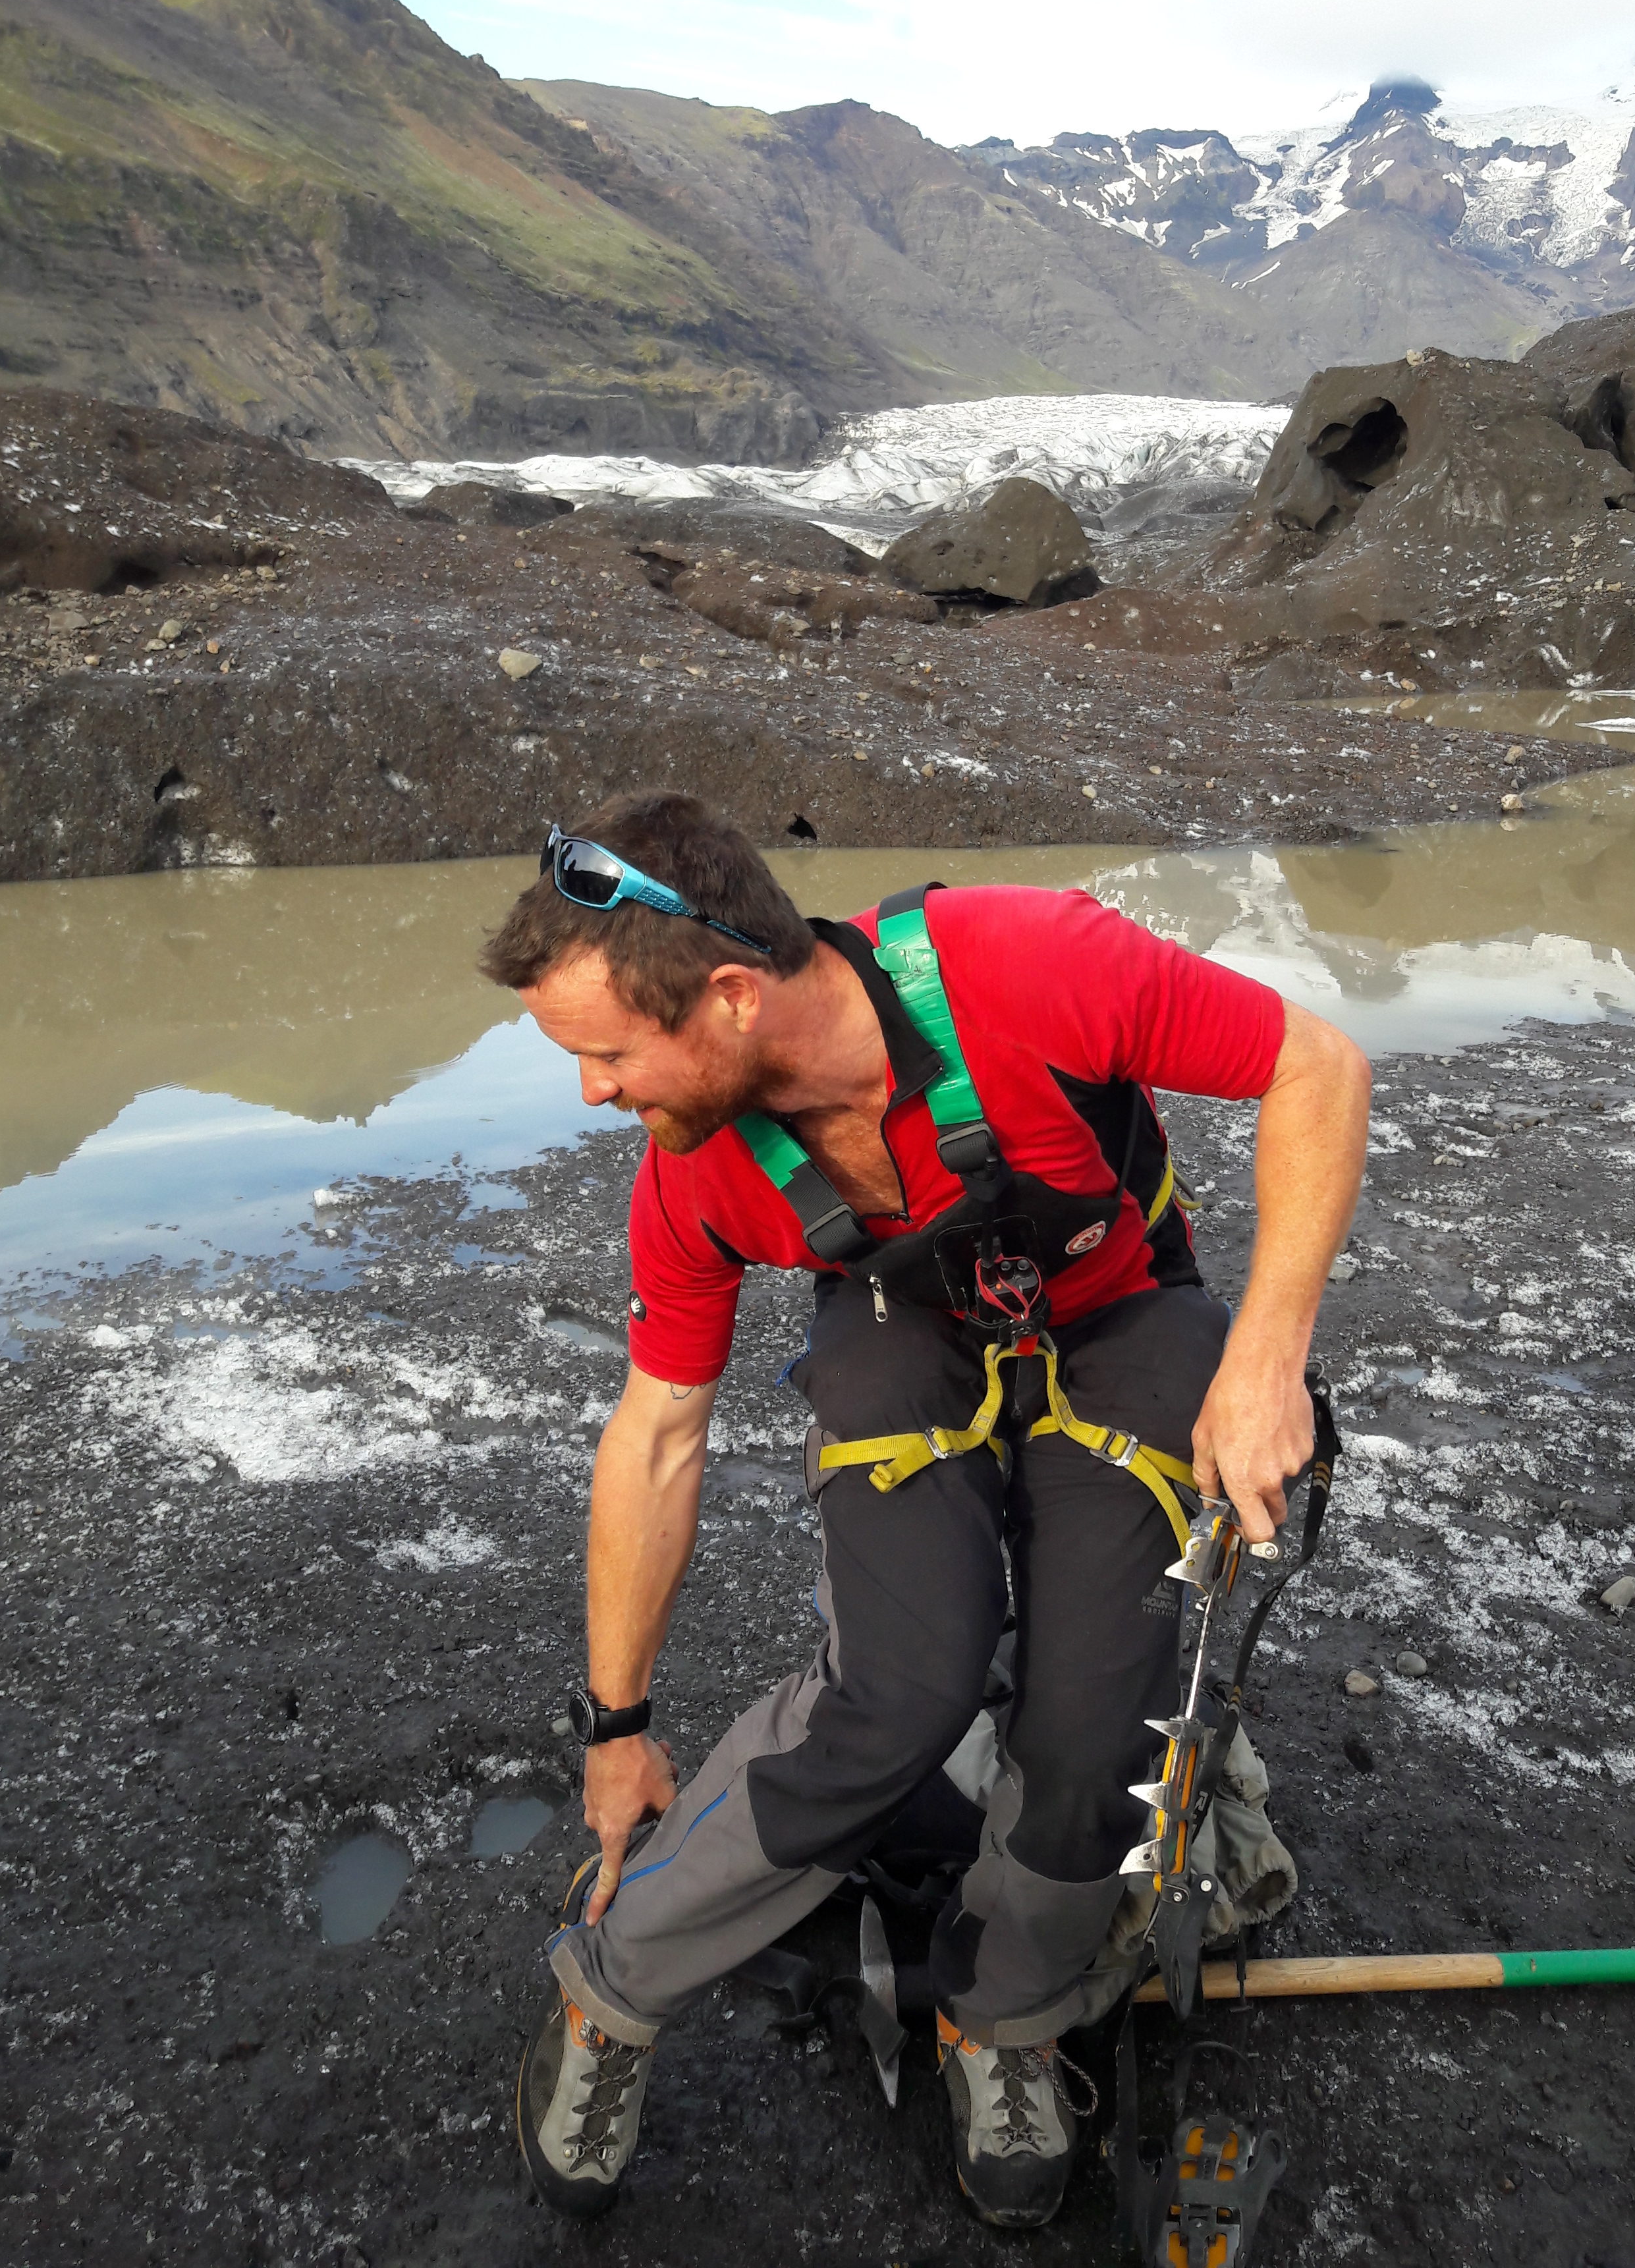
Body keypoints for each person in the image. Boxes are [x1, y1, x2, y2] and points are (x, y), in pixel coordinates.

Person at [480, 792, 1370, 2227]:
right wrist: (617, 1728)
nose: (593, 1093)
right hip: (902, 1326)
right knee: (897, 1695)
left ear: (732, 995)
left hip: (1127, 1312)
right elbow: (656, 1437)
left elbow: (1315, 1065)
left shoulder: (1031, 965)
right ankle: (611, 1988)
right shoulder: (696, 1179)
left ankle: (1004, 2018)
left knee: (1096, 1727)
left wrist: (1266, 1359)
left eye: (609, 1053)